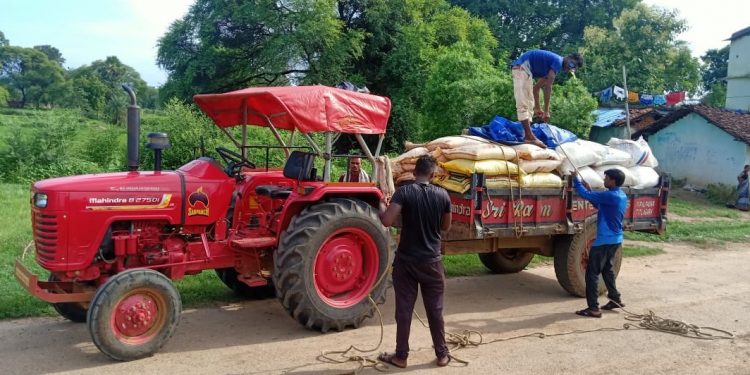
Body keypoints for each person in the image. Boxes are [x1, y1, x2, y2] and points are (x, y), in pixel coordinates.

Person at [377, 155, 452, 368]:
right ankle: (442, 354)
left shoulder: (404, 193)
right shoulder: (443, 195)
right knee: (435, 309)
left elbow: (387, 221)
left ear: (414, 172)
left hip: (407, 262)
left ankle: (401, 356)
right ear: (432, 173)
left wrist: (382, 204)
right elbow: (445, 227)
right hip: (432, 262)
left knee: (404, 310)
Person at [571, 168, 627, 318]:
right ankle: (615, 299)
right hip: (615, 239)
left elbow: (584, 194)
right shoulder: (620, 195)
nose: (604, 180)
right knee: (607, 269)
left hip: (604, 240)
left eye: (606, 178)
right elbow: (599, 205)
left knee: (592, 273)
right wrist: (589, 190)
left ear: (613, 181)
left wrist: (575, 180)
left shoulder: (610, 196)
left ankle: (593, 308)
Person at [511, 50, 583, 148]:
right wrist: (546, 111)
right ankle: (529, 137)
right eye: (571, 64)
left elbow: (536, 89)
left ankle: (527, 134)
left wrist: (537, 108)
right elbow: (548, 87)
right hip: (521, 68)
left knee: (530, 106)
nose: (569, 68)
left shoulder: (550, 69)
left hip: (526, 72)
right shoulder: (558, 61)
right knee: (523, 103)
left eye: (572, 68)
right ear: (568, 57)